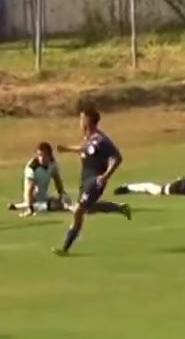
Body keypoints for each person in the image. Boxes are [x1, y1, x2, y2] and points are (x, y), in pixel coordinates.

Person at [54, 108, 131, 256]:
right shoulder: (89, 138)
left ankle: (65, 248)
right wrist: (67, 149)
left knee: (79, 211)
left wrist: (105, 176)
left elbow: (117, 158)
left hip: (95, 181)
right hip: (85, 179)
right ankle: (120, 208)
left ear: (89, 121)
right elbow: (84, 149)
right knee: (88, 208)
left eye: (82, 119)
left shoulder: (102, 140)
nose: (80, 122)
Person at [7, 142, 72, 215]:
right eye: (39, 155)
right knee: (57, 205)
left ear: (50, 156)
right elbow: (29, 189)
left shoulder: (52, 163)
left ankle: (17, 206)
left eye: (44, 155)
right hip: (33, 198)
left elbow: (57, 178)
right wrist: (30, 207)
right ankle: (28, 206)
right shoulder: (32, 168)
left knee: (64, 201)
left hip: (43, 195)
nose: (41, 158)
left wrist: (61, 193)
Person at [114, 174, 185, 199]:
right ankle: (129, 188)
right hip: (184, 187)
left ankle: (129, 188)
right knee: (159, 190)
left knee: (158, 190)